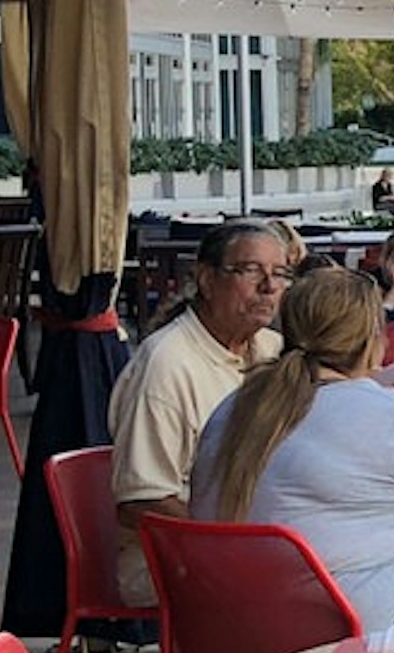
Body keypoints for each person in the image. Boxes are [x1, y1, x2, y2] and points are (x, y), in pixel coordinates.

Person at [190, 266, 394, 632]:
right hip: (357, 629)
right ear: (373, 340)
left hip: (232, 631)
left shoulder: (233, 407)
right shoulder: (389, 413)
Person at [107, 219, 290, 600]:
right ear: (207, 279)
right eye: (251, 270)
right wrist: (234, 546)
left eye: (280, 273)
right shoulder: (166, 364)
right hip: (177, 556)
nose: (269, 287)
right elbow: (142, 499)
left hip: (257, 538)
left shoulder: (275, 350)